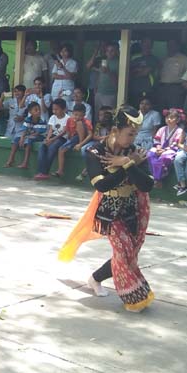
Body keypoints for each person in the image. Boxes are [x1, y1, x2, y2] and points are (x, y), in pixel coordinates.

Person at [60, 106, 155, 312]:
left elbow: (147, 184)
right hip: (109, 210)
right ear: (115, 130)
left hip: (133, 208)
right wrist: (129, 165)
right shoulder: (95, 151)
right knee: (124, 251)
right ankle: (134, 295)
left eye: (135, 134)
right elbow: (101, 185)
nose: (132, 139)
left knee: (129, 254)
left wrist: (128, 163)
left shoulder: (134, 152)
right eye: (129, 134)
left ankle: (94, 278)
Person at [34, 98, 69, 180]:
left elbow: (63, 132)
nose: (54, 111)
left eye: (57, 109)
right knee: (42, 147)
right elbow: (50, 130)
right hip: (53, 136)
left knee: (52, 147)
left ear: (63, 109)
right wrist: (48, 139)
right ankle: (41, 171)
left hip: (62, 138)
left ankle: (45, 172)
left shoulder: (67, 118)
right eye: (53, 109)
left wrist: (52, 140)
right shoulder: (53, 117)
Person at [146, 109, 184, 185]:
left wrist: (164, 150)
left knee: (164, 157)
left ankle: (159, 178)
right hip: (160, 148)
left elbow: (176, 143)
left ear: (178, 119)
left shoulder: (180, 131)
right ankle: (154, 175)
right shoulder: (162, 129)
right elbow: (157, 140)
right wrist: (158, 148)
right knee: (150, 154)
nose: (169, 119)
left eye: (172, 117)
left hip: (171, 149)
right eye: (167, 117)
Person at [4, 101, 46, 169]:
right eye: (36, 110)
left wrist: (26, 137)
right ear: (30, 112)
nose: (38, 111)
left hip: (40, 136)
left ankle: (25, 162)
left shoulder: (42, 119)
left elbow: (37, 133)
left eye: (39, 109)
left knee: (28, 140)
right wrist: (22, 138)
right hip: (30, 135)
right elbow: (24, 130)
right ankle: (11, 159)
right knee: (16, 139)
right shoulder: (28, 119)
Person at [55, 103, 92, 178]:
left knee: (79, 123)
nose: (78, 117)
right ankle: (60, 170)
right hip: (73, 138)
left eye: (80, 115)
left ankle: (80, 144)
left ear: (84, 114)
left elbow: (90, 135)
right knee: (61, 150)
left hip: (81, 139)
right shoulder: (69, 120)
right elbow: (68, 132)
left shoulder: (86, 121)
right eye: (76, 115)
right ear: (72, 113)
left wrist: (81, 144)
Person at [157, 39, 187, 110]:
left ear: (178, 46)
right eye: (168, 45)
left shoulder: (184, 59)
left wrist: (183, 88)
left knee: (174, 112)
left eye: (173, 45)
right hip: (162, 87)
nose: (170, 47)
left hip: (176, 88)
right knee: (162, 110)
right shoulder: (163, 58)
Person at [128, 38, 160, 106]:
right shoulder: (134, 57)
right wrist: (136, 71)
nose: (147, 46)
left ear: (152, 46)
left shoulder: (154, 59)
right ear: (141, 44)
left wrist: (135, 71)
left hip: (147, 90)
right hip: (133, 90)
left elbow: (145, 72)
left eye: (149, 44)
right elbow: (127, 72)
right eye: (145, 43)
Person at [94, 41, 120, 115]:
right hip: (99, 92)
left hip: (110, 94)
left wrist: (108, 72)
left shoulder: (120, 62)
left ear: (116, 51)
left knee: (108, 115)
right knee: (98, 115)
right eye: (107, 51)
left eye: (112, 51)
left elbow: (118, 82)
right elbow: (100, 75)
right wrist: (96, 88)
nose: (109, 53)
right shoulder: (104, 61)